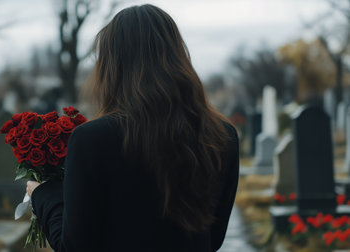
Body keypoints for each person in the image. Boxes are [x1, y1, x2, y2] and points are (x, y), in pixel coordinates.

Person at [27, 4, 239, 252]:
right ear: (178, 56)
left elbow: (75, 246)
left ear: (111, 65)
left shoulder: (92, 139)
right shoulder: (223, 135)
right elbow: (213, 239)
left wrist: (44, 194)